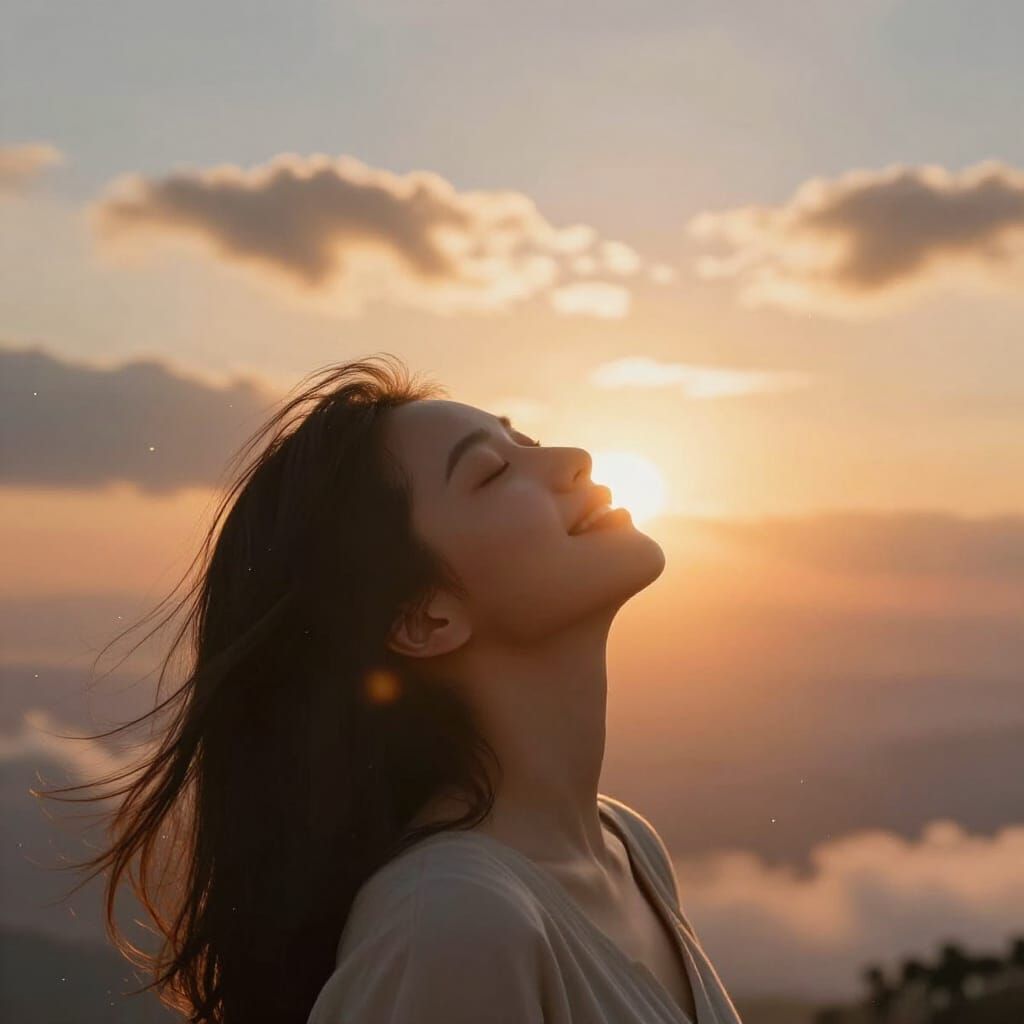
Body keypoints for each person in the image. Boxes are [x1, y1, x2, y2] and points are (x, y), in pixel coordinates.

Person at [35, 354, 744, 1024]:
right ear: (425, 618)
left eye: (525, 441)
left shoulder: (627, 847)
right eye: (493, 472)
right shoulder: (453, 923)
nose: (572, 459)